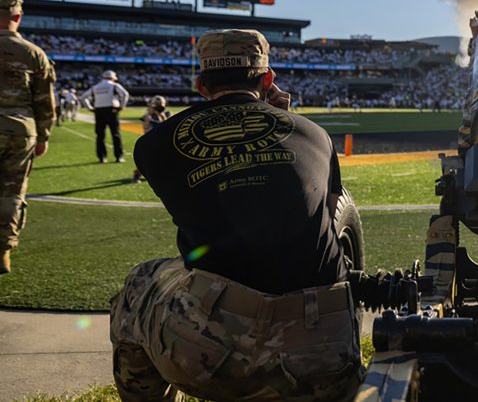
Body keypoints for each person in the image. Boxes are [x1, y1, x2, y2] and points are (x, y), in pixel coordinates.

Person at [110, 29, 363, 401]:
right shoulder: (317, 136)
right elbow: (316, 210)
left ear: (200, 84)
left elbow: (219, 201)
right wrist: (282, 121)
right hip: (325, 358)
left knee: (140, 281)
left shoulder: (154, 145)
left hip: (215, 360)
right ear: (268, 79)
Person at [0, 0, 56, 274]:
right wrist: (44, 135)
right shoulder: (33, 53)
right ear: (17, 17)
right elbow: (45, 101)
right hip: (20, 131)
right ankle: (2, 252)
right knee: (11, 193)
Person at [80, 69, 130, 163]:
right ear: (113, 78)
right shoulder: (114, 85)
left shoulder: (96, 87)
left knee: (100, 135)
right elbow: (125, 94)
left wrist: (90, 108)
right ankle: (118, 157)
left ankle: (102, 157)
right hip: (112, 110)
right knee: (115, 134)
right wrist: (121, 106)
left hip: (98, 111)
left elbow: (83, 97)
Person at [131, 96, 172, 183]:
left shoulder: (168, 113)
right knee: (147, 161)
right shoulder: (149, 115)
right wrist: (149, 115)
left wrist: (161, 114)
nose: (159, 106)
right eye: (157, 104)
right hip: (152, 140)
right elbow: (145, 129)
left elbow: (167, 126)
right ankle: (136, 175)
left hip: (164, 140)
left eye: (161, 103)